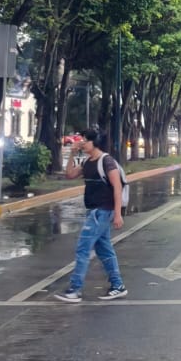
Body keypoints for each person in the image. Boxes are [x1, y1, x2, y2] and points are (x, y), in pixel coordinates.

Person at [56, 127, 127, 302]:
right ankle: (118, 285)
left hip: (102, 211)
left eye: (84, 140)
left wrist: (118, 213)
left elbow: (117, 188)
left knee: (83, 248)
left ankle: (74, 289)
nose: (81, 143)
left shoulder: (106, 161)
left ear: (94, 142)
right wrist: (72, 154)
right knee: (104, 250)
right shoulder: (88, 162)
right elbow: (70, 174)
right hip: (93, 210)